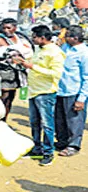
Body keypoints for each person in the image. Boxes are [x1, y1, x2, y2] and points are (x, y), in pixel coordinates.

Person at [12, 25, 65, 166]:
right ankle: (37, 148)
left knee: (47, 124)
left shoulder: (55, 52)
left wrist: (32, 67)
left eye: (34, 37)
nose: (32, 39)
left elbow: (56, 73)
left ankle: (48, 152)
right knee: (35, 122)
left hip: (45, 93)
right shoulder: (39, 49)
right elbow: (33, 64)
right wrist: (24, 63)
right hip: (33, 91)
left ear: (42, 38)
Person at [0, 18, 33, 120]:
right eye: (4, 28)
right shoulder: (0, 40)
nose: (6, 30)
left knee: (10, 98)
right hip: (3, 73)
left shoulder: (18, 39)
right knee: (4, 97)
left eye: (9, 28)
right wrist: (5, 58)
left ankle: (4, 120)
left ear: (15, 28)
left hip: (15, 73)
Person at [54, 25, 88, 157]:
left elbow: (87, 77)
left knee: (74, 121)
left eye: (67, 36)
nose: (64, 38)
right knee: (59, 119)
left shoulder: (84, 53)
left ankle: (73, 145)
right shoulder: (65, 47)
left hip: (74, 91)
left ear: (75, 38)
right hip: (60, 89)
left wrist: (81, 98)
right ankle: (62, 141)